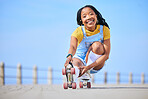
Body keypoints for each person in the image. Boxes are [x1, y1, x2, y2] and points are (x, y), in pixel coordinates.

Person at [64, 5, 111, 79]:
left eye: (91, 14)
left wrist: (88, 67)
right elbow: (73, 47)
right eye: (84, 16)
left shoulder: (104, 30)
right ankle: (73, 74)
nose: (89, 17)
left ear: (96, 15)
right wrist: (69, 56)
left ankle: (85, 72)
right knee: (75, 65)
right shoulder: (78, 31)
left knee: (97, 46)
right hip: (80, 59)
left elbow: (106, 55)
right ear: (81, 21)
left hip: (95, 63)